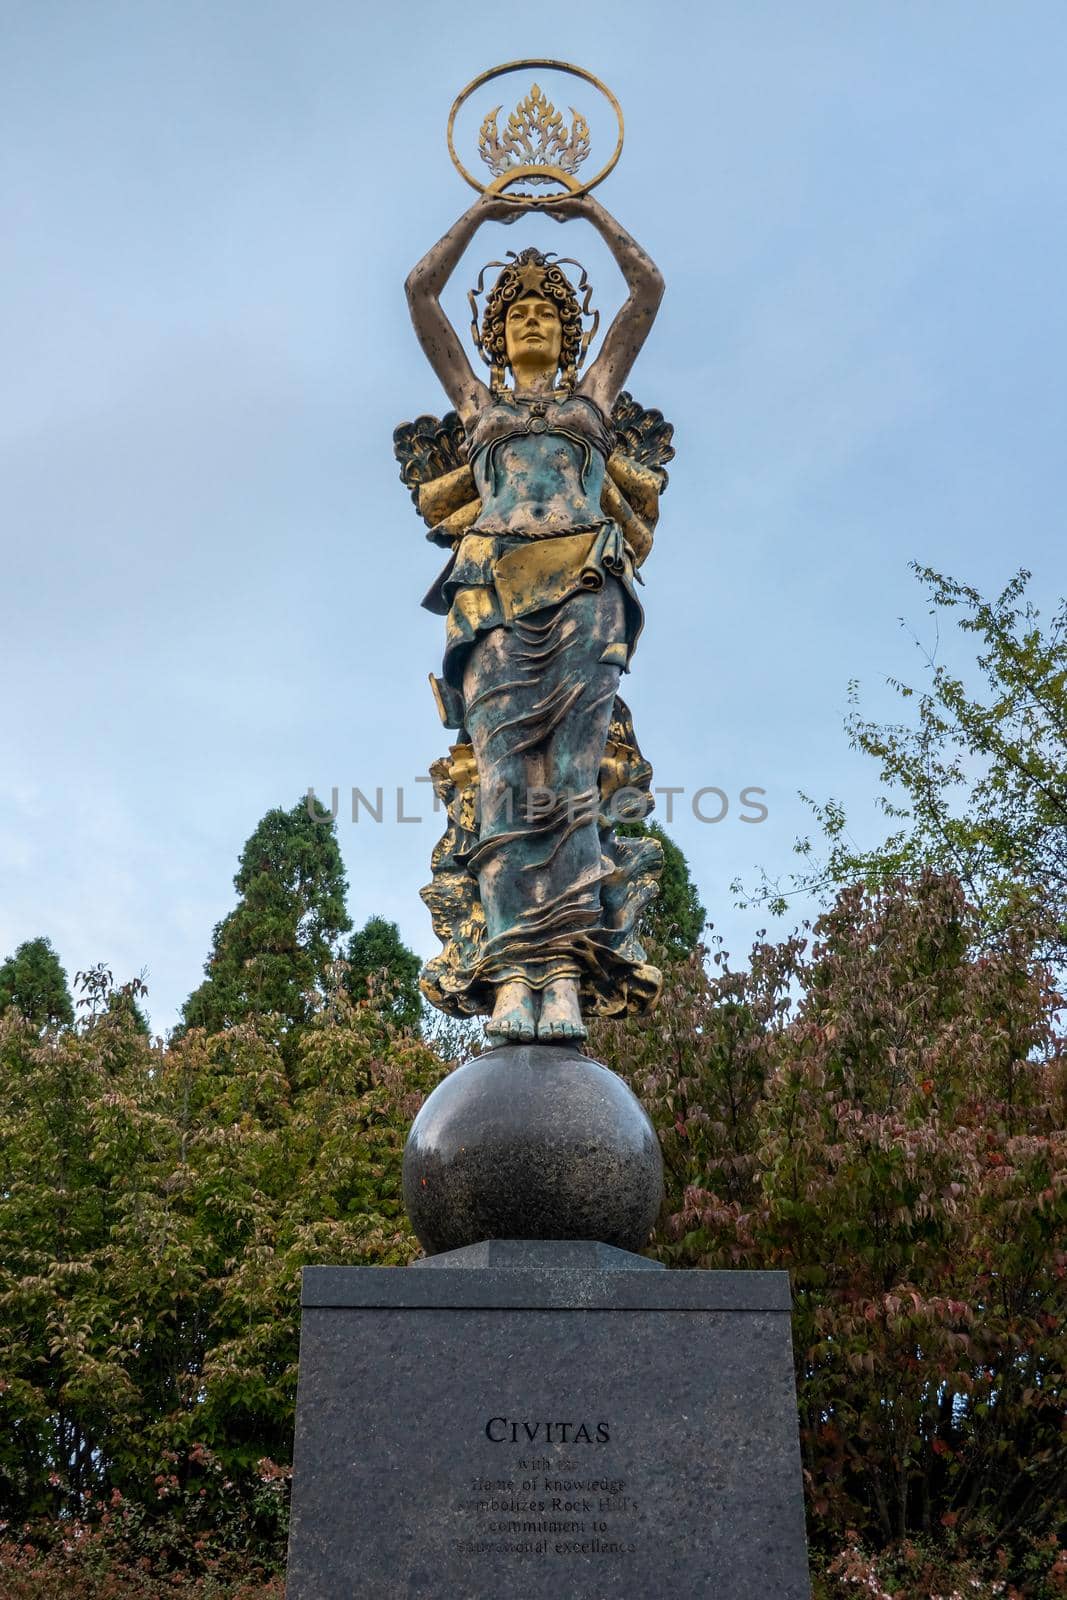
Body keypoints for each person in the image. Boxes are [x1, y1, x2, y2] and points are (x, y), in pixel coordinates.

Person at [405, 190, 664, 1044]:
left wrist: (590, 210)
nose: (529, 324)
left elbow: (647, 290)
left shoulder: (592, 395)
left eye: (545, 313)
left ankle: (563, 975)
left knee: (575, 787)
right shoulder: (480, 410)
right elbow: (419, 293)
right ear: (494, 335)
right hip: (492, 594)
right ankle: (512, 971)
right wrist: (479, 214)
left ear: (567, 331)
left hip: (587, 585)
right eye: (513, 314)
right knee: (506, 786)